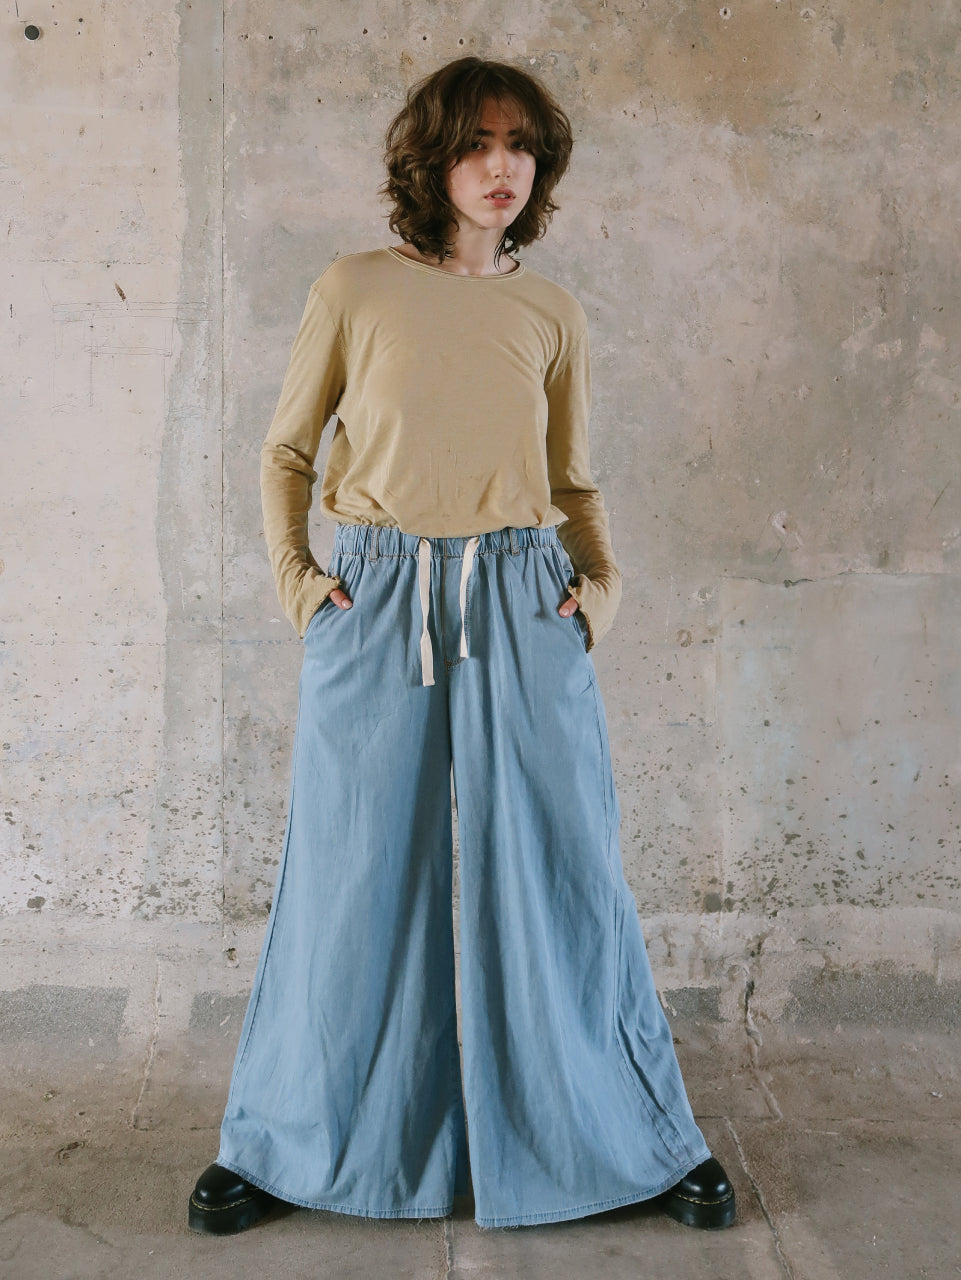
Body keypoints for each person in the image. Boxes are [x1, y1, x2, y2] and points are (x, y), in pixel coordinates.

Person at [188, 55, 735, 1236]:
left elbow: (572, 481)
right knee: (349, 867)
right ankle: (286, 1143)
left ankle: (627, 1138)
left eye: (521, 145)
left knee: (561, 864)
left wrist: (599, 595)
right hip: (376, 595)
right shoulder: (354, 287)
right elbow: (286, 453)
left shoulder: (552, 312)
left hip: (524, 599)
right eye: (479, 142)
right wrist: (300, 586)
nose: (502, 166)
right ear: (432, 157)